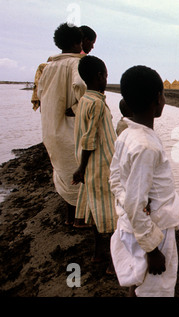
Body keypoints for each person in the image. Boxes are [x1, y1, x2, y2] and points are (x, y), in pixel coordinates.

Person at [109, 65, 179, 297]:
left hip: (134, 225)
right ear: (158, 98)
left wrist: (128, 207)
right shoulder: (146, 146)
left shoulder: (127, 135)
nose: (164, 99)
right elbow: (136, 202)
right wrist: (153, 248)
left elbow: (115, 179)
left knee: (138, 280)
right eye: (163, 93)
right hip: (153, 230)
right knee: (157, 289)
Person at [37, 22, 86, 226]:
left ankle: (69, 218)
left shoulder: (47, 67)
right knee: (79, 172)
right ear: (78, 43)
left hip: (51, 129)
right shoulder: (76, 64)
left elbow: (40, 94)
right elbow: (82, 87)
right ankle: (80, 218)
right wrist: (76, 108)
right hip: (69, 128)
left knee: (63, 172)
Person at [72, 55, 117, 266]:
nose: (107, 79)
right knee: (108, 213)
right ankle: (109, 260)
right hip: (101, 165)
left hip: (93, 165)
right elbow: (89, 140)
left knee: (97, 210)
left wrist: (82, 167)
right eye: (106, 76)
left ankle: (98, 255)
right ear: (100, 77)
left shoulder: (84, 100)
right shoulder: (97, 104)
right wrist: (81, 168)